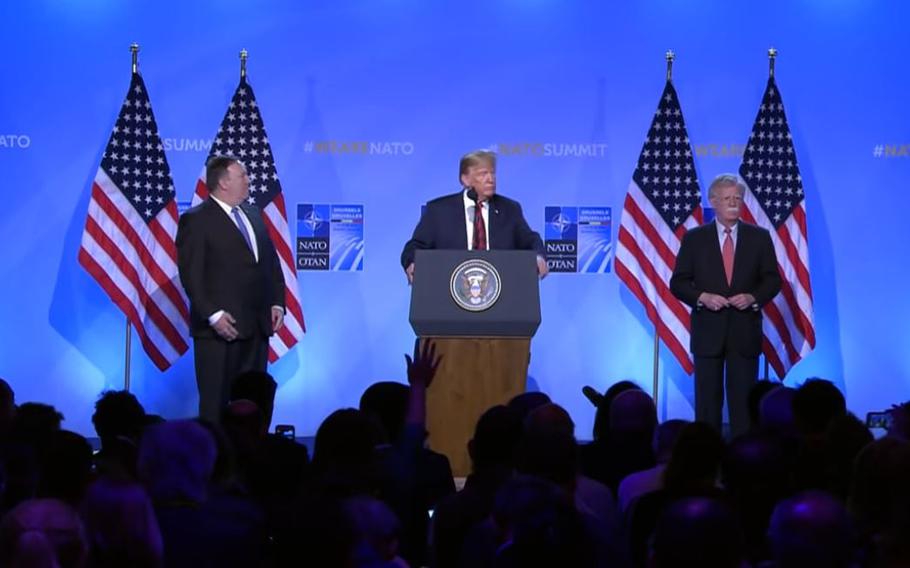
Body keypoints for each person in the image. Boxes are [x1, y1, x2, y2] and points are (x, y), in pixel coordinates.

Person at [670, 173, 781, 438]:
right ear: (713, 202)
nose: (734, 203)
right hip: (708, 333)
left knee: (744, 405)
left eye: (738, 198)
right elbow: (679, 283)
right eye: (728, 198)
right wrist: (702, 297)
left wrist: (753, 298)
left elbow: (772, 280)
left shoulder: (759, 237)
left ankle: (744, 462)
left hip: (744, 334)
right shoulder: (695, 238)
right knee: (707, 406)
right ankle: (707, 464)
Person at [176, 156, 285, 422]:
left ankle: (253, 455)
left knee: (254, 404)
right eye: (243, 175)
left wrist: (277, 302)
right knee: (216, 406)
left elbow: (270, 262)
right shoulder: (196, 220)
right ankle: (215, 460)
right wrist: (212, 314)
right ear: (223, 182)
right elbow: (192, 274)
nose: (249, 180)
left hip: (257, 328)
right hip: (219, 331)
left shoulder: (253, 214)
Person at [400, 149, 548, 283]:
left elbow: (530, 239)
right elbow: (415, 246)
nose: (491, 179)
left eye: (492, 173)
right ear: (465, 179)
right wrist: (412, 262)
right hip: (449, 293)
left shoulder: (509, 209)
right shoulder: (438, 210)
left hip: (500, 293)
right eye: (483, 173)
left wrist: (538, 257)